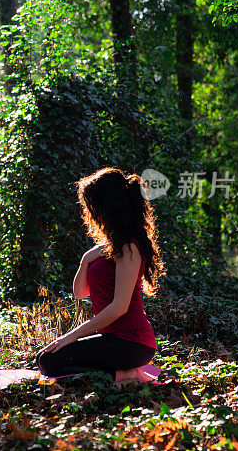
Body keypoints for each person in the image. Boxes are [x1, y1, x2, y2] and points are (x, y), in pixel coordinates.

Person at [35, 166, 166, 387]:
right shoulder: (110, 247)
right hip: (113, 340)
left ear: (109, 207)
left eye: (94, 207)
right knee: (45, 359)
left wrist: (70, 337)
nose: (92, 214)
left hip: (133, 342)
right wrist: (85, 259)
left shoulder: (129, 248)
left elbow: (119, 307)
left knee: (48, 361)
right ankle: (124, 373)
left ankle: (125, 376)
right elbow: (80, 293)